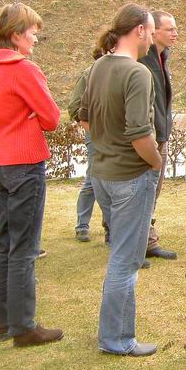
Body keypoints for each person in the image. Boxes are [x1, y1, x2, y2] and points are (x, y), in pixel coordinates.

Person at [81, 3, 161, 357]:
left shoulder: (98, 66)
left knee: (121, 255)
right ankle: (116, 338)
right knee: (125, 261)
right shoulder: (137, 73)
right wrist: (156, 162)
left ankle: (117, 332)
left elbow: (84, 117)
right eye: (152, 31)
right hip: (130, 177)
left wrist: (105, 146)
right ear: (139, 30)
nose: (153, 38)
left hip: (103, 174)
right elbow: (140, 133)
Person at [0, 3, 63, 347]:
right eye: (32, 31)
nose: (35, 37)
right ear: (16, 35)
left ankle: (1, 321)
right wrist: (33, 113)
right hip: (24, 165)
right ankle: (23, 327)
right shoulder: (23, 69)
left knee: (4, 244)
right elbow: (52, 118)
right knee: (24, 247)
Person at [139, 10, 178, 260]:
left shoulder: (163, 57)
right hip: (148, 135)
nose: (175, 33)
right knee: (143, 191)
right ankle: (138, 244)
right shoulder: (143, 60)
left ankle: (148, 240)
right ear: (154, 33)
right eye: (170, 29)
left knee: (153, 191)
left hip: (160, 135)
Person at [67, 47, 109, 243]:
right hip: (96, 134)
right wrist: (92, 128)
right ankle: (82, 225)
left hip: (118, 135)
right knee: (93, 179)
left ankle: (111, 226)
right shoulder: (89, 74)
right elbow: (74, 107)